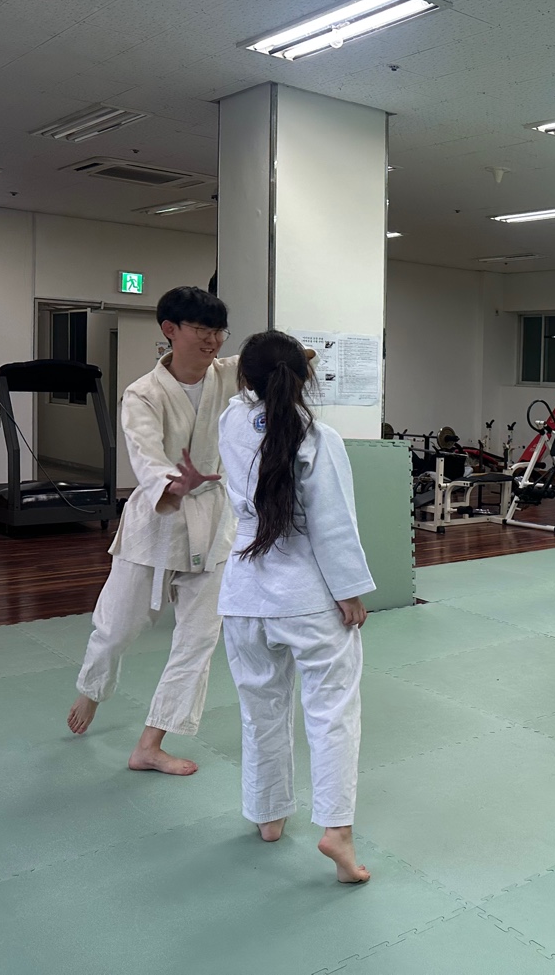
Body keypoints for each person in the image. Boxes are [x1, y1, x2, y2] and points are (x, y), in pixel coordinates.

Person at [215, 330, 375, 883]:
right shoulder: (317, 437)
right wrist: (349, 590)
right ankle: (337, 830)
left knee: (261, 709)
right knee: (331, 712)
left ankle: (268, 815)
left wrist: (276, 367)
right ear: (304, 378)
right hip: (306, 597)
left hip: (243, 595)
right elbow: (333, 522)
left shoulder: (232, 423)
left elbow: (251, 397)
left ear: (246, 379)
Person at [66, 286, 237, 776]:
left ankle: (151, 743)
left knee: (199, 640)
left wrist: (296, 354)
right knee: (115, 629)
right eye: (201, 330)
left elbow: (287, 358)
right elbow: (145, 457)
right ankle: (92, 689)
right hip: (157, 521)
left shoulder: (230, 373)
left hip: (213, 522)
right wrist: (174, 484)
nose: (212, 341)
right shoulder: (142, 393)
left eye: (219, 331)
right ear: (170, 330)